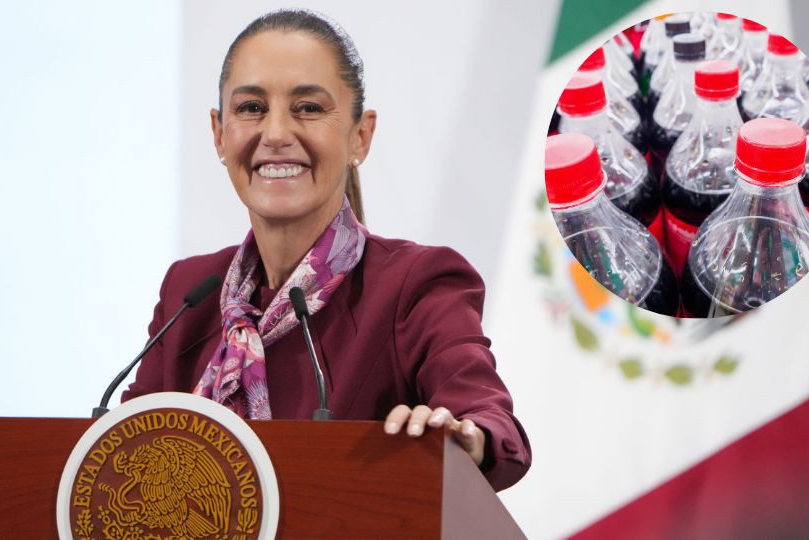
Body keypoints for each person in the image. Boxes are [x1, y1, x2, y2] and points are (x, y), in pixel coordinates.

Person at [122, 8, 531, 491]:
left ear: (361, 136)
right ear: (218, 132)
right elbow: (119, 448)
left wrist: (466, 435)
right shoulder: (188, 294)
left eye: (309, 108)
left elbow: (484, 413)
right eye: (251, 107)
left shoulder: (416, 283)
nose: (275, 133)